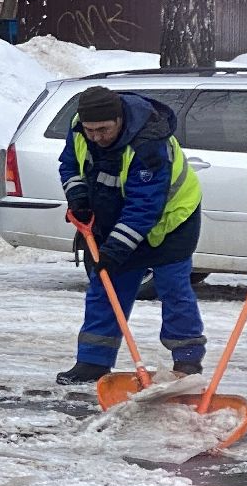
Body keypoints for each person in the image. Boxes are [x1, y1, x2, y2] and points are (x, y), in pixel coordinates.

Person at [56, 85, 207, 384]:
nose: (96, 137)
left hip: (170, 221)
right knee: (106, 285)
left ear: (120, 120)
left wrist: (115, 250)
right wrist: (79, 198)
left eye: (103, 130)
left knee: (172, 288)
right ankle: (93, 361)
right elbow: (70, 166)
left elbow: (144, 206)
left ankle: (187, 361)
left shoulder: (148, 144)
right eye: (90, 130)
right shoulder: (79, 130)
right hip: (114, 215)